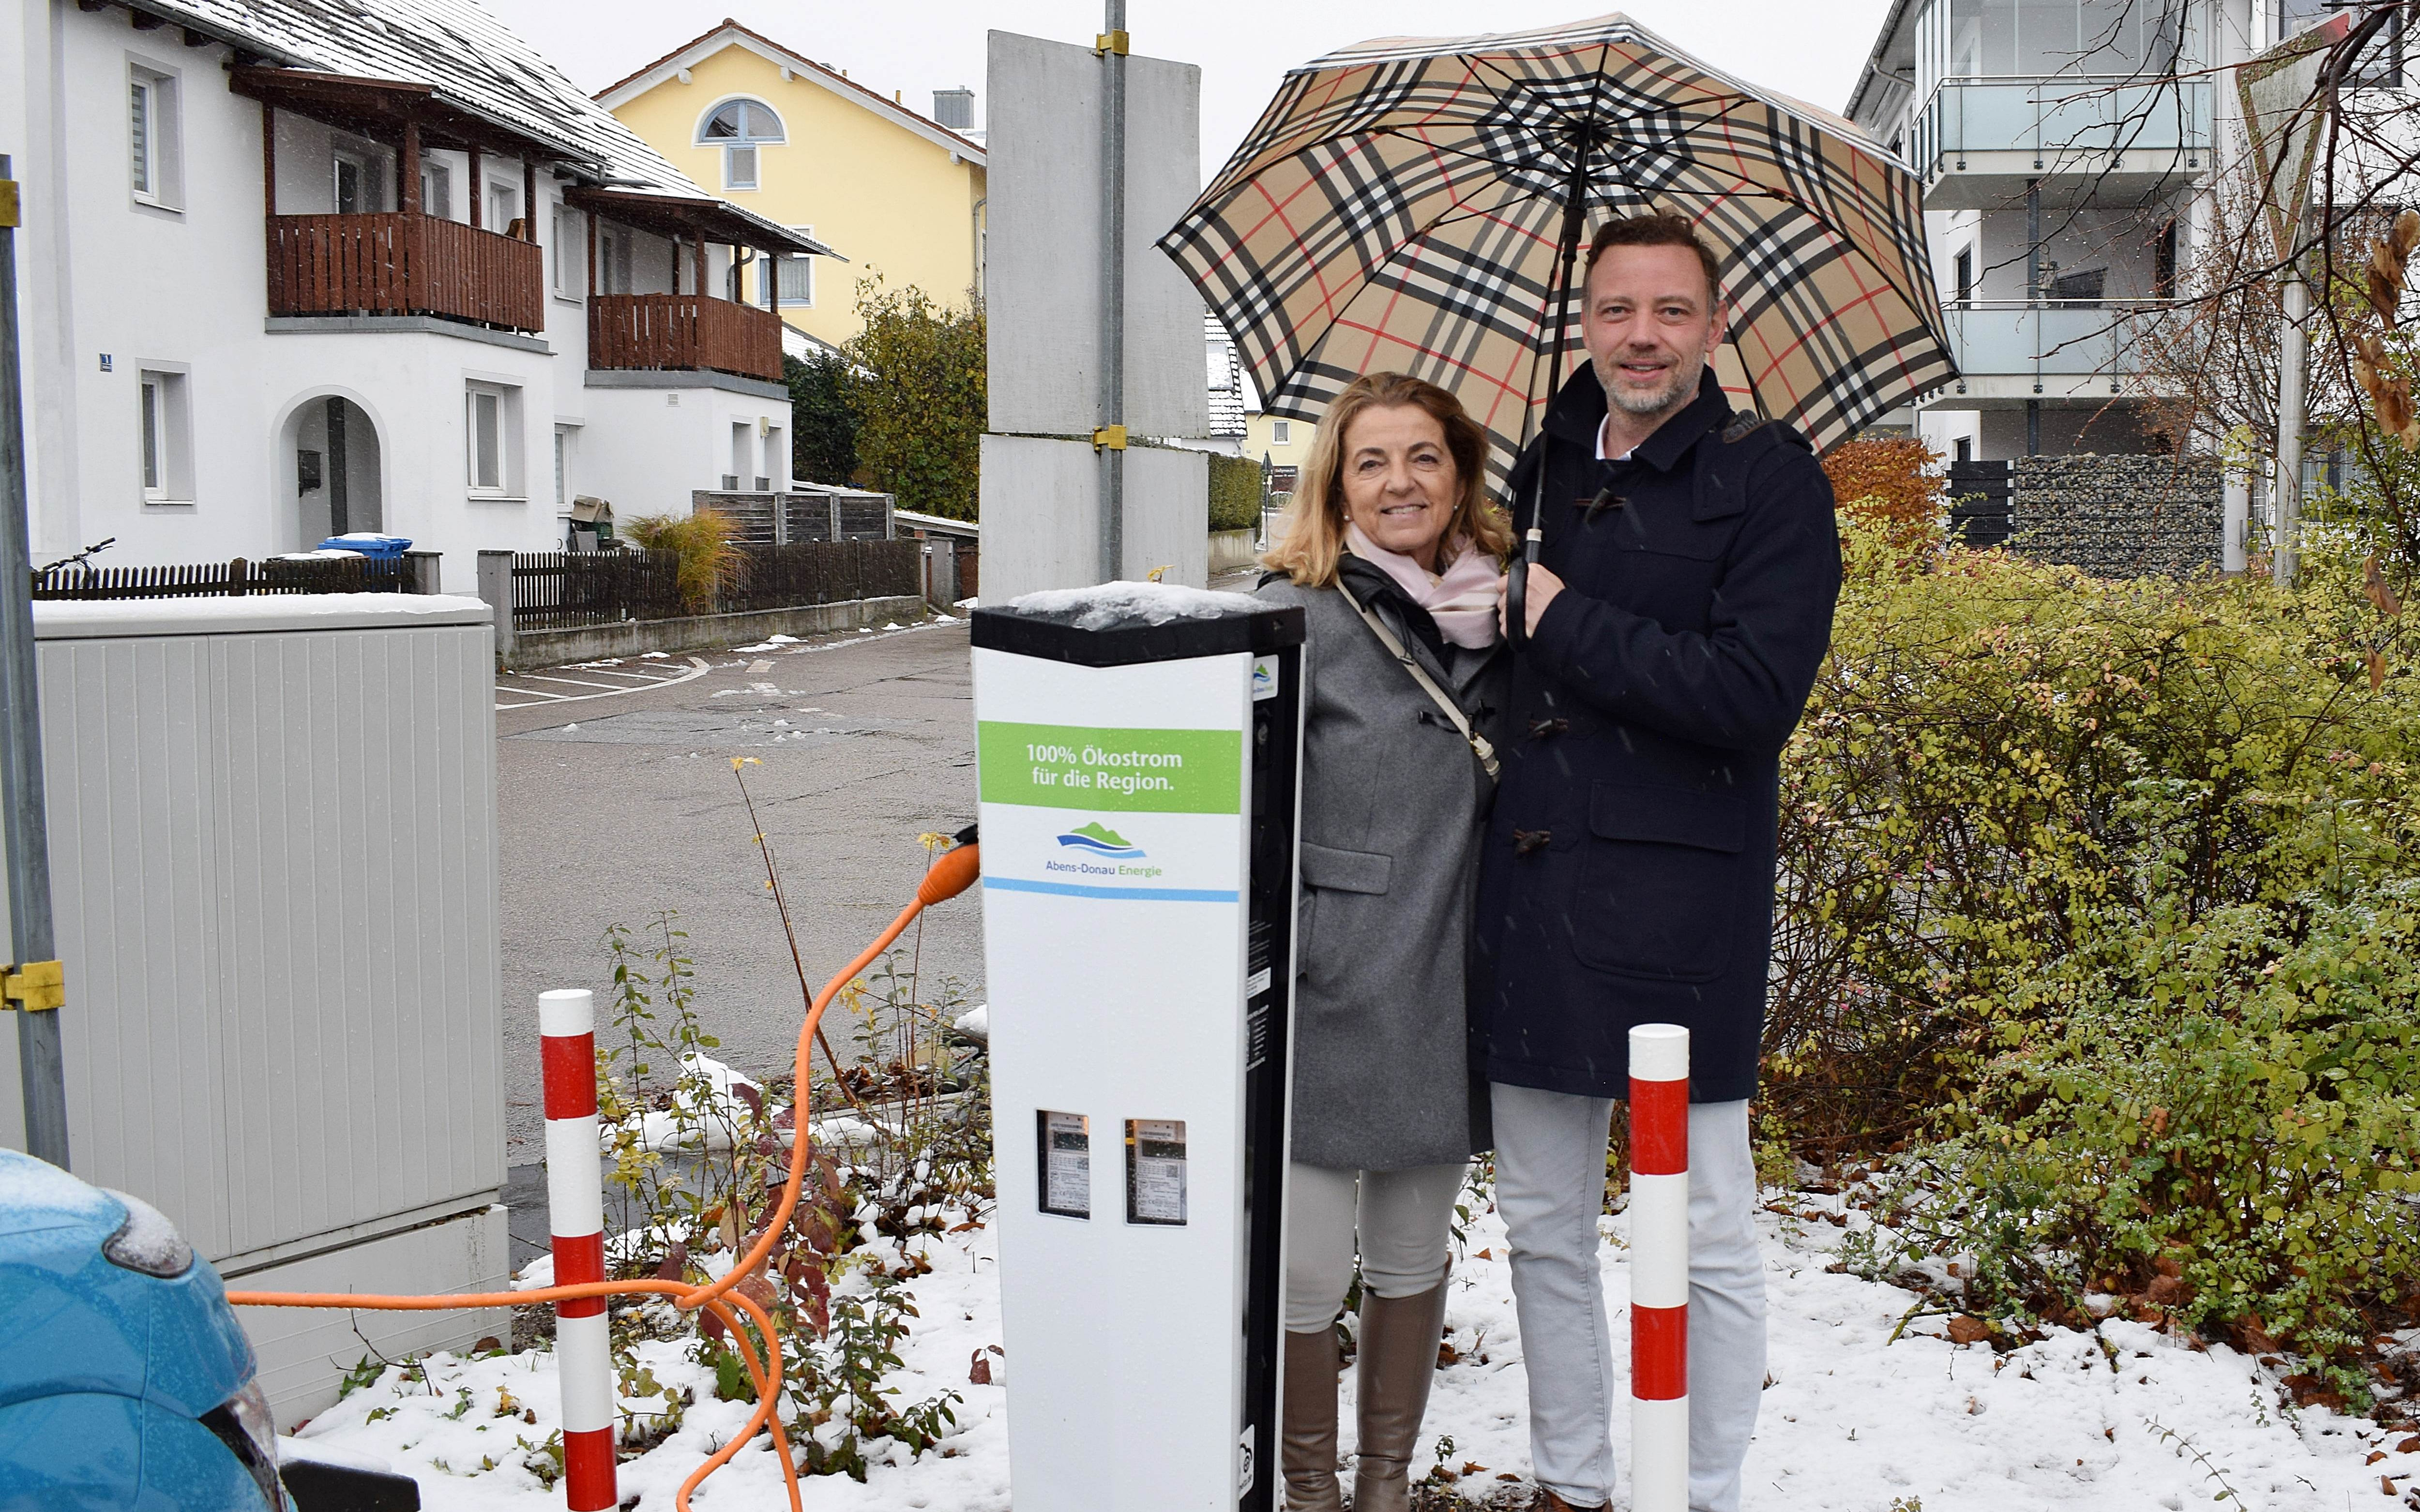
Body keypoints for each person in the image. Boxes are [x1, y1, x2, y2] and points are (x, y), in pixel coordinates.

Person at [1475, 213, 1842, 1512]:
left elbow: (1751, 692)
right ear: (1585, 317)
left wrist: (1563, 615)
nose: (1642, 335)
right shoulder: (1541, 463)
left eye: (1671, 310)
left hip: (1684, 900)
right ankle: (1575, 1475)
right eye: (1618, 308)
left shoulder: (1771, 474)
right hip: (1532, 890)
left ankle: (1700, 1483)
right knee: (1539, 1215)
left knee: (1710, 1221)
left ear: (1715, 322)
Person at [1255, 372, 1510, 1512]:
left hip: (1454, 980)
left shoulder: (1518, 614)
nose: (1398, 481)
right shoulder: (1291, 611)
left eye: (1422, 457)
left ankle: (1384, 1493)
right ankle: (1310, 1496)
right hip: (1332, 980)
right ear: (1337, 486)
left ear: (1459, 475)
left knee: (1411, 1261)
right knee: (1305, 1274)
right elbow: (1237, 803)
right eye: (1371, 462)